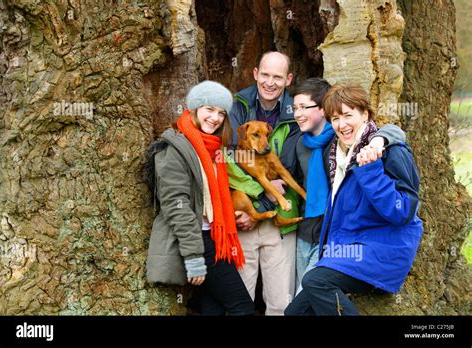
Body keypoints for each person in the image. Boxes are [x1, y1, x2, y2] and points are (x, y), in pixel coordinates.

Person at [285, 83, 423, 315]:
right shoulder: (336, 154)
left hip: (383, 250)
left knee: (316, 281)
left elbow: (402, 212)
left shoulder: (389, 152)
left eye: (348, 115)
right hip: (348, 250)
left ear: (365, 114)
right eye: (335, 118)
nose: (342, 125)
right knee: (294, 312)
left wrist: (371, 171)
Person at [145, 80, 254, 315]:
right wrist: (194, 258)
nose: (215, 118)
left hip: (214, 236)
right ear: (195, 109)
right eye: (209, 109)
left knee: (212, 309)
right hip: (199, 241)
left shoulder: (213, 149)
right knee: (242, 307)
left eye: (221, 113)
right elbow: (177, 207)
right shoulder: (175, 148)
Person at [228, 51, 300, 315]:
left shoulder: (297, 113)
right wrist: (259, 199)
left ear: (288, 79)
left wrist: (382, 138)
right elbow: (230, 157)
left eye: (278, 77)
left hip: (283, 215)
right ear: (256, 74)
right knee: (242, 301)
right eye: (266, 75)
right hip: (246, 216)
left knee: (281, 302)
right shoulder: (237, 107)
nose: (270, 82)